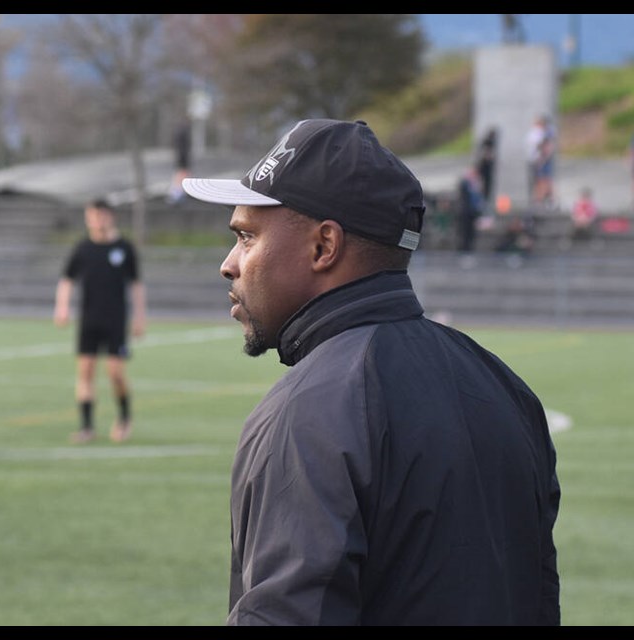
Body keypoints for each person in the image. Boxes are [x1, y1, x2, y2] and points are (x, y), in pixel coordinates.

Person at [181, 118, 560, 625]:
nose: (230, 263)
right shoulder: (504, 386)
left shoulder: (311, 410)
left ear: (324, 247)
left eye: (247, 237)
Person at [53, 198, 146, 444]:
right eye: (92, 216)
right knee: (85, 372)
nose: (97, 220)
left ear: (110, 217)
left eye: (101, 215)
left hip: (115, 319)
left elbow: (136, 285)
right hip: (88, 319)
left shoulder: (124, 247)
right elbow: (66, 279)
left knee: (115, 373)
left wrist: (139, 317)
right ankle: (86, 427)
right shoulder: (82, 248)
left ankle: (124, 418)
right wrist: (62, 307)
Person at [456, 164, 484, 255]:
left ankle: (468, 250)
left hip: (472, 213)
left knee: (471, 234)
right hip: (465, 213)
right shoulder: (466, 184)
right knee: (464, 233)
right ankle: (463, 251)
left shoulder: (475, 185)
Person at [475, 127, 498, 209]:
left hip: (486, 169)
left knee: (487, 185)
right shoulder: (488, 142)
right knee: (484, 185)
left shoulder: (488, 142)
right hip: (484, 169)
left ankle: (485, 200)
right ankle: (483, 200)